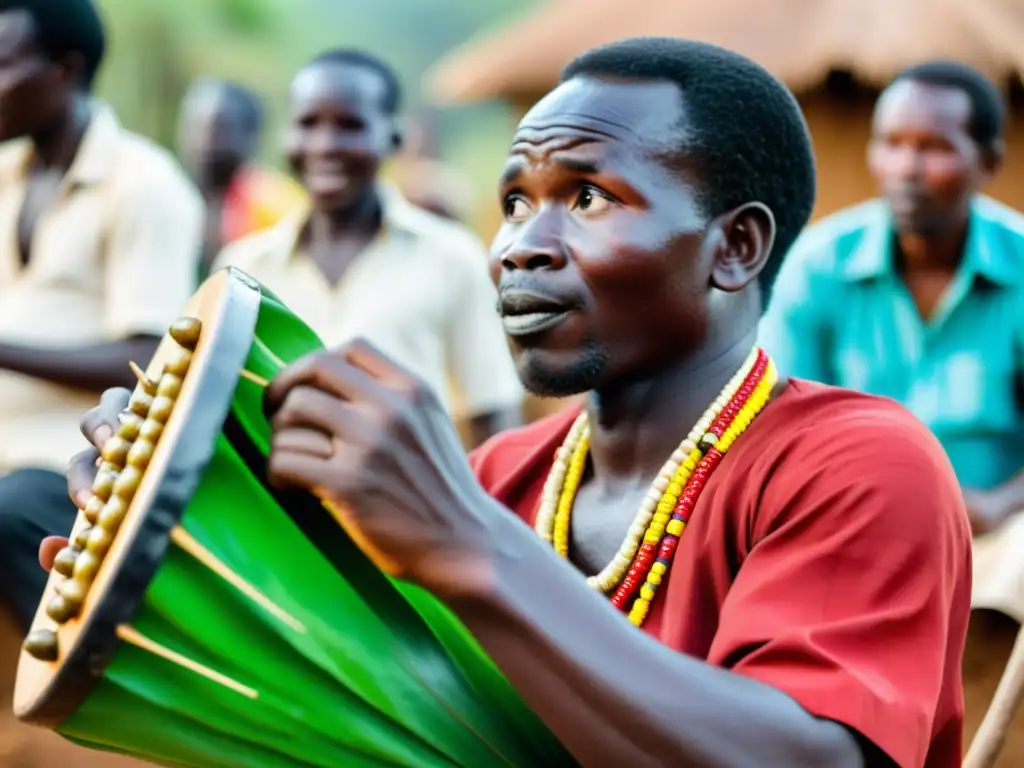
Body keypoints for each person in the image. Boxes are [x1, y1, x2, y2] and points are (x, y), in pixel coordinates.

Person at [57, 38, 969, 767]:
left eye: (586, 194)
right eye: (513, 200)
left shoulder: (859, 463)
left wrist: (467, 542)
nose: (520, 247)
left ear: (734, 247)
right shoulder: (499, 478)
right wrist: (173, 526)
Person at [758, 61, 1024, 759]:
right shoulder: (819, 265)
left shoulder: (1021, 266)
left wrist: (1000, 502)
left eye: (934, 147)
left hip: (999, 533)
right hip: (857, 523)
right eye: (892, 142)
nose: (907, 166)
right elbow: (785, 426)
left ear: (988, 161)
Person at [0, 0, 203, 633]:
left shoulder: (144, 184)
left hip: (69, 468)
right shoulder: (6, 175)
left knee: (7, 512)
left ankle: (94, 672)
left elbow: (151, 358)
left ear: (63, 70)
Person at [211, 49, 523, 448]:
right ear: (285, 136)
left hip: (410, 507)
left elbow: (493, 414)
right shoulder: (242, 269)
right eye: (307, 123)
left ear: (394, 138)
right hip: (269, 508)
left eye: (350, 125)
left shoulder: (452, 257)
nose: (324, 145)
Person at [177, 77, 306, 276]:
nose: (204, 139)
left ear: (251, 135)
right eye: (195, 125)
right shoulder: (174, 196)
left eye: (219, 129)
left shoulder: (276, 205)